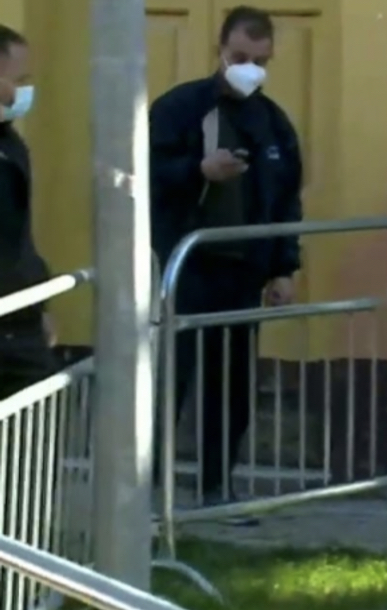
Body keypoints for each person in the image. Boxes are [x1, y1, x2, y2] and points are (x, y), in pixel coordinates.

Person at [149, 5, 302, 515]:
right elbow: (146, 175)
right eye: (240, 58)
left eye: (261, 61)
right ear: (220, 50)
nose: (250, 69)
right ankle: (147, 493)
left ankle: (217, 488)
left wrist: (283, 268)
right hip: (185, 268)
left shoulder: (272, 122)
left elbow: (286, 199)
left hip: (243, 273)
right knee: (170, 379)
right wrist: (198, 170)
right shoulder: (181, 108)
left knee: (232, 387)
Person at [0, 24, 55, 401]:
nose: (25, 90)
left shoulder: (11, 142)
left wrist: (39, 304)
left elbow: (21, 235)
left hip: (21, 323)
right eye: (18, 80)